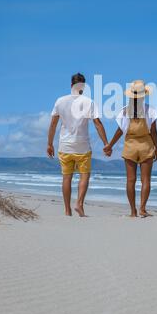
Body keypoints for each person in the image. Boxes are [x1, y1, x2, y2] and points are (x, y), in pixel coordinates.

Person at [47, 73, 110, 217]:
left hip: (65, 146)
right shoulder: (88, 102)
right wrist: (106, 143)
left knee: (66, 177)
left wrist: (50, 144)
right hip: (82, 146)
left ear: (71, 85)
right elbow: (97, 124)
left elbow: (53, 124)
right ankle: (79, 204)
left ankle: (67, 210)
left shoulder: (60, 101)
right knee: (84, 175)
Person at [104, 80, 157, 218]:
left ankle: (133, 212)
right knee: (146, 180)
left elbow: (119, 131)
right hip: (146, 145)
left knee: (130, 180)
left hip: (130, 146)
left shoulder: (124, 111)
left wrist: (110, 145)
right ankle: (143, 209)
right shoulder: (150, 110)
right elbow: (154, 131)